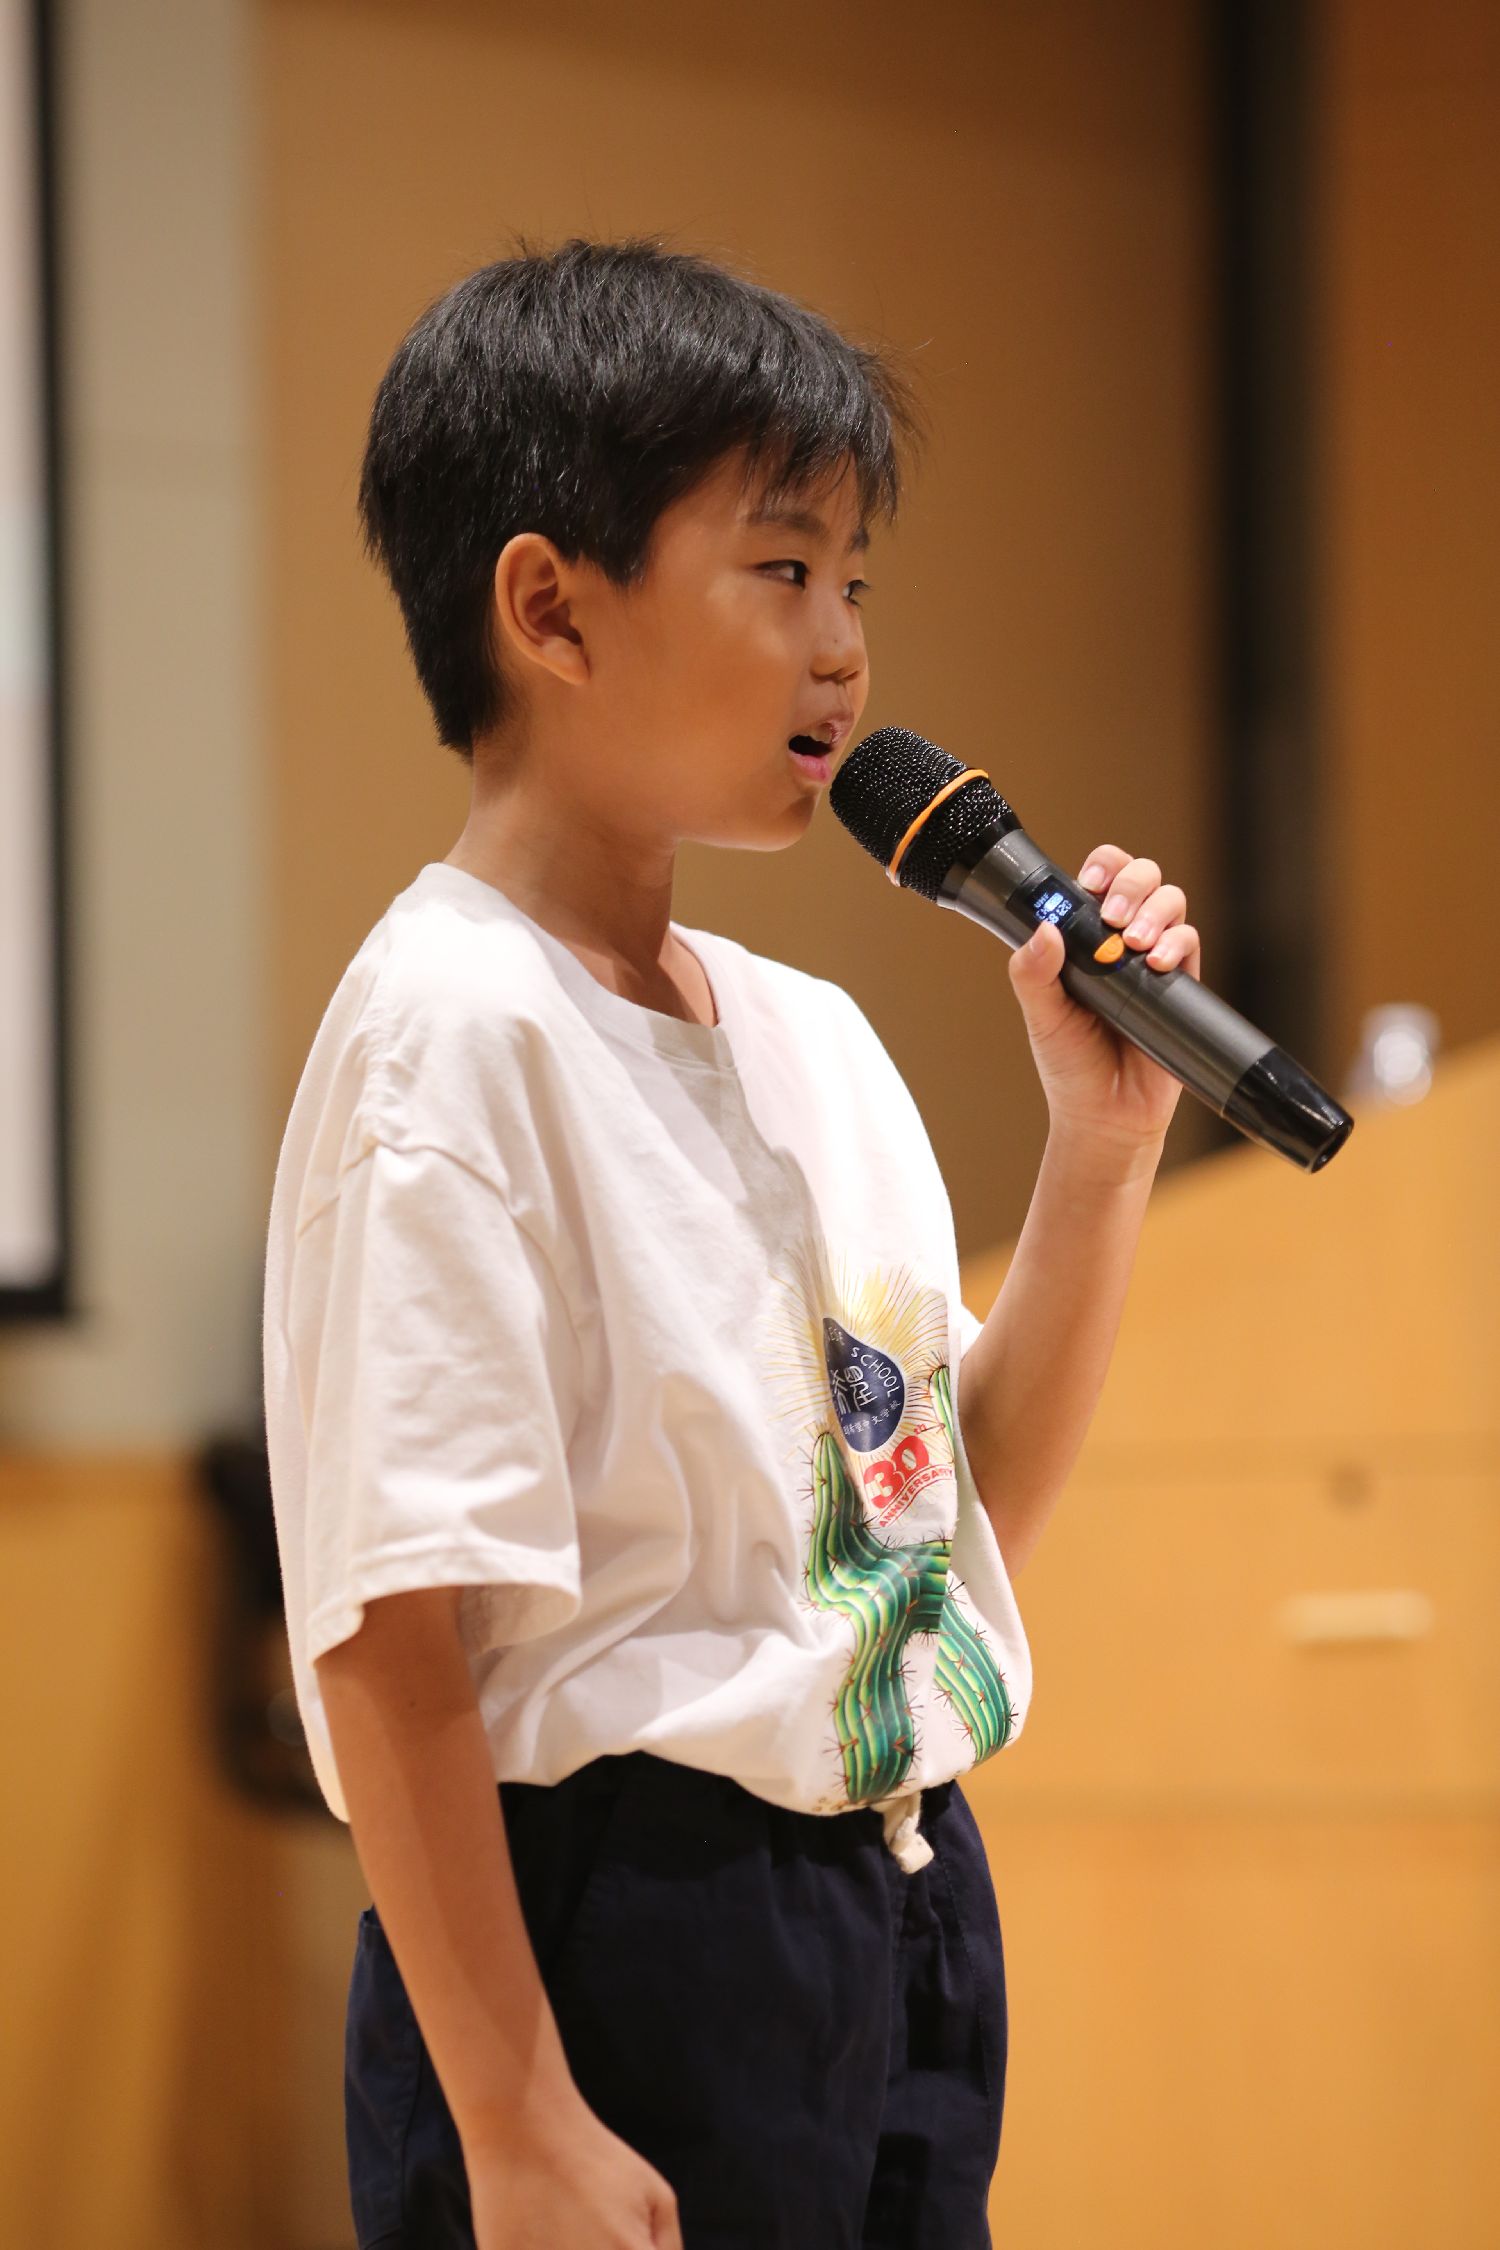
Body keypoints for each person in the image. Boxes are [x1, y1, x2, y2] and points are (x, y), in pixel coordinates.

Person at [261, 235, 1201, 2250]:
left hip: (899, 1899)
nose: (843, 651)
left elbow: (947, 1526)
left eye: (857, 583)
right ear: (549, 608)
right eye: (782, 570)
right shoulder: (455, 1032)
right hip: (618, 1929)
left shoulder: (814, 1035)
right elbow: (387, 1640)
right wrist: (515, 2117)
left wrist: (1102, 1151)